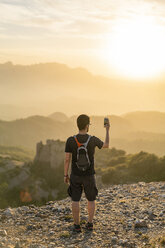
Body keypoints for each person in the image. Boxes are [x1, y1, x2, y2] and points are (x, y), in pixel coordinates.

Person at [64, 114, 110, 232]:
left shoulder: (70, 140)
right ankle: (90, 223)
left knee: (75, 200)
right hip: (89, 175)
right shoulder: (93, 139)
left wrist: (65, 175)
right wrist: (107, 130)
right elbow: (106, 145)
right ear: (86, 126)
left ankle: (77, 225)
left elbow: (67, 159)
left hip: (75, 175)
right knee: (91, 199)